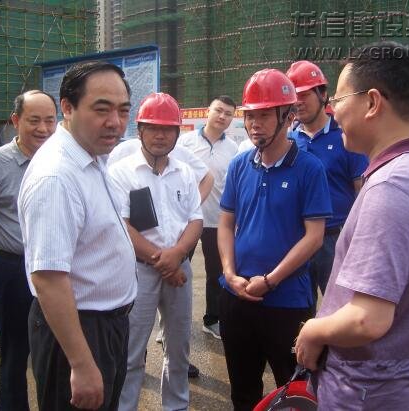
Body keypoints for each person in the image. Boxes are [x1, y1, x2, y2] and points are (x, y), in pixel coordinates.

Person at [295, 41, 409, 410]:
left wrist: (313, 330)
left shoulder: (392, 186)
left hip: (369, 391)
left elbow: (367, 321)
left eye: (339, 99)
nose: (333, 110)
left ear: (372, 102)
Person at [18, 61, 137, 411]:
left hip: (106, 326)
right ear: (67, 108)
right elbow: (49, 279)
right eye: (101, 109)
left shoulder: (93, 157)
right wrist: (82, 364)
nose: (115, 121)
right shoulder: (57, 176)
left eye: (123, 110)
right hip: (79, 332)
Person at [218, 68, 332, 411]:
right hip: (237, 298)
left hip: (287, 301)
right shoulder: (240, 165)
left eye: (265, 115)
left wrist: (270, 280)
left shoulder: (310, 168)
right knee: (242, 391)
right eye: (250, 116)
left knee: (293, 391)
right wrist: (230, 274)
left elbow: (314, 237)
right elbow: (226, 224)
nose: (255, 124)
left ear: (288, 116)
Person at [108, 92, 203, 411]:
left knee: (179, 348)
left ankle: (176, 406)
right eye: (153, 128)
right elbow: (123, 226)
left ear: (177, 133)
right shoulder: (121, 172)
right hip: (137, 271)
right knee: (132, 351)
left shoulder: (184, 172)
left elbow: (196, 219)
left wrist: (178, 255)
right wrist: (165, 262)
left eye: (167, 129)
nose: (160, 135)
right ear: (140, 130)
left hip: (180, 268)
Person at [0, 90, 57, 410]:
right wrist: (2, 242)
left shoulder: (61, 161)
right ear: (15, 121)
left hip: (56, 269)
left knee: (54, 351)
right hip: (12, 269)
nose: (43, 128)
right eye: (34, 120)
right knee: (15, 354)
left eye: (50, 120)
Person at [287, 60, 368, 304]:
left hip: (335, 239)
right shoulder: (289, 140)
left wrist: (358, 241)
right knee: (301, 307)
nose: (298, 102)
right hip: (297, 239)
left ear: (323, 95)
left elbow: (361, 191)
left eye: (304, 95)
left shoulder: (345, 137)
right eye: (294, 96)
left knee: (341, 306)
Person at [177, 95, 238, 339]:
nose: (222, 116)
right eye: (218, 110)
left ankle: (212, 319)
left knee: (216, 273)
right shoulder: (185, 143)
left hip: (217, 221)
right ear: (208, 112)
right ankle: (170, 322)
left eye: (228, 113)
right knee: (178, 269)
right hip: (186, 220)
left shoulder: (233, 149)